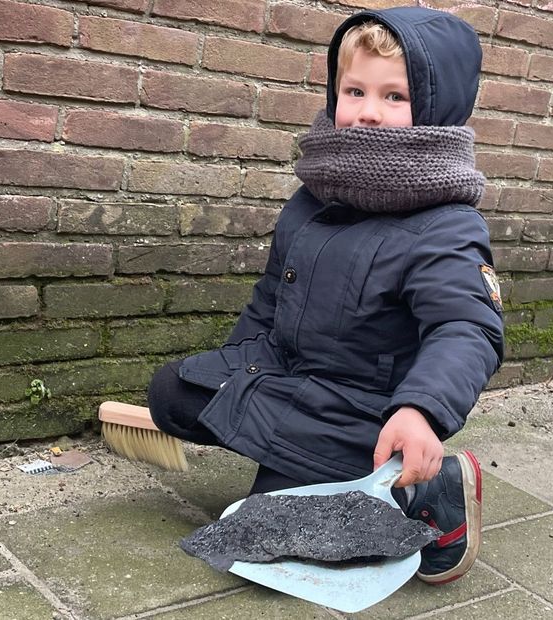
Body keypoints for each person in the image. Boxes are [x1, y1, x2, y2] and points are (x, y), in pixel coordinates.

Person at [148, 7, 504, 585]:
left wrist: (420, 411)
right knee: (174, 393)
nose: (367, 112)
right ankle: (305, 464)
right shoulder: (314, 197)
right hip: (296, 379)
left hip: (369, 411)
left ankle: (428, 495)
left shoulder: (446, 224)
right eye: (355, 90)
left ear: (438, 111)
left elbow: (467, 329)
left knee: (277, 530)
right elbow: (270, 297)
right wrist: (236, 367)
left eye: (395, 97)